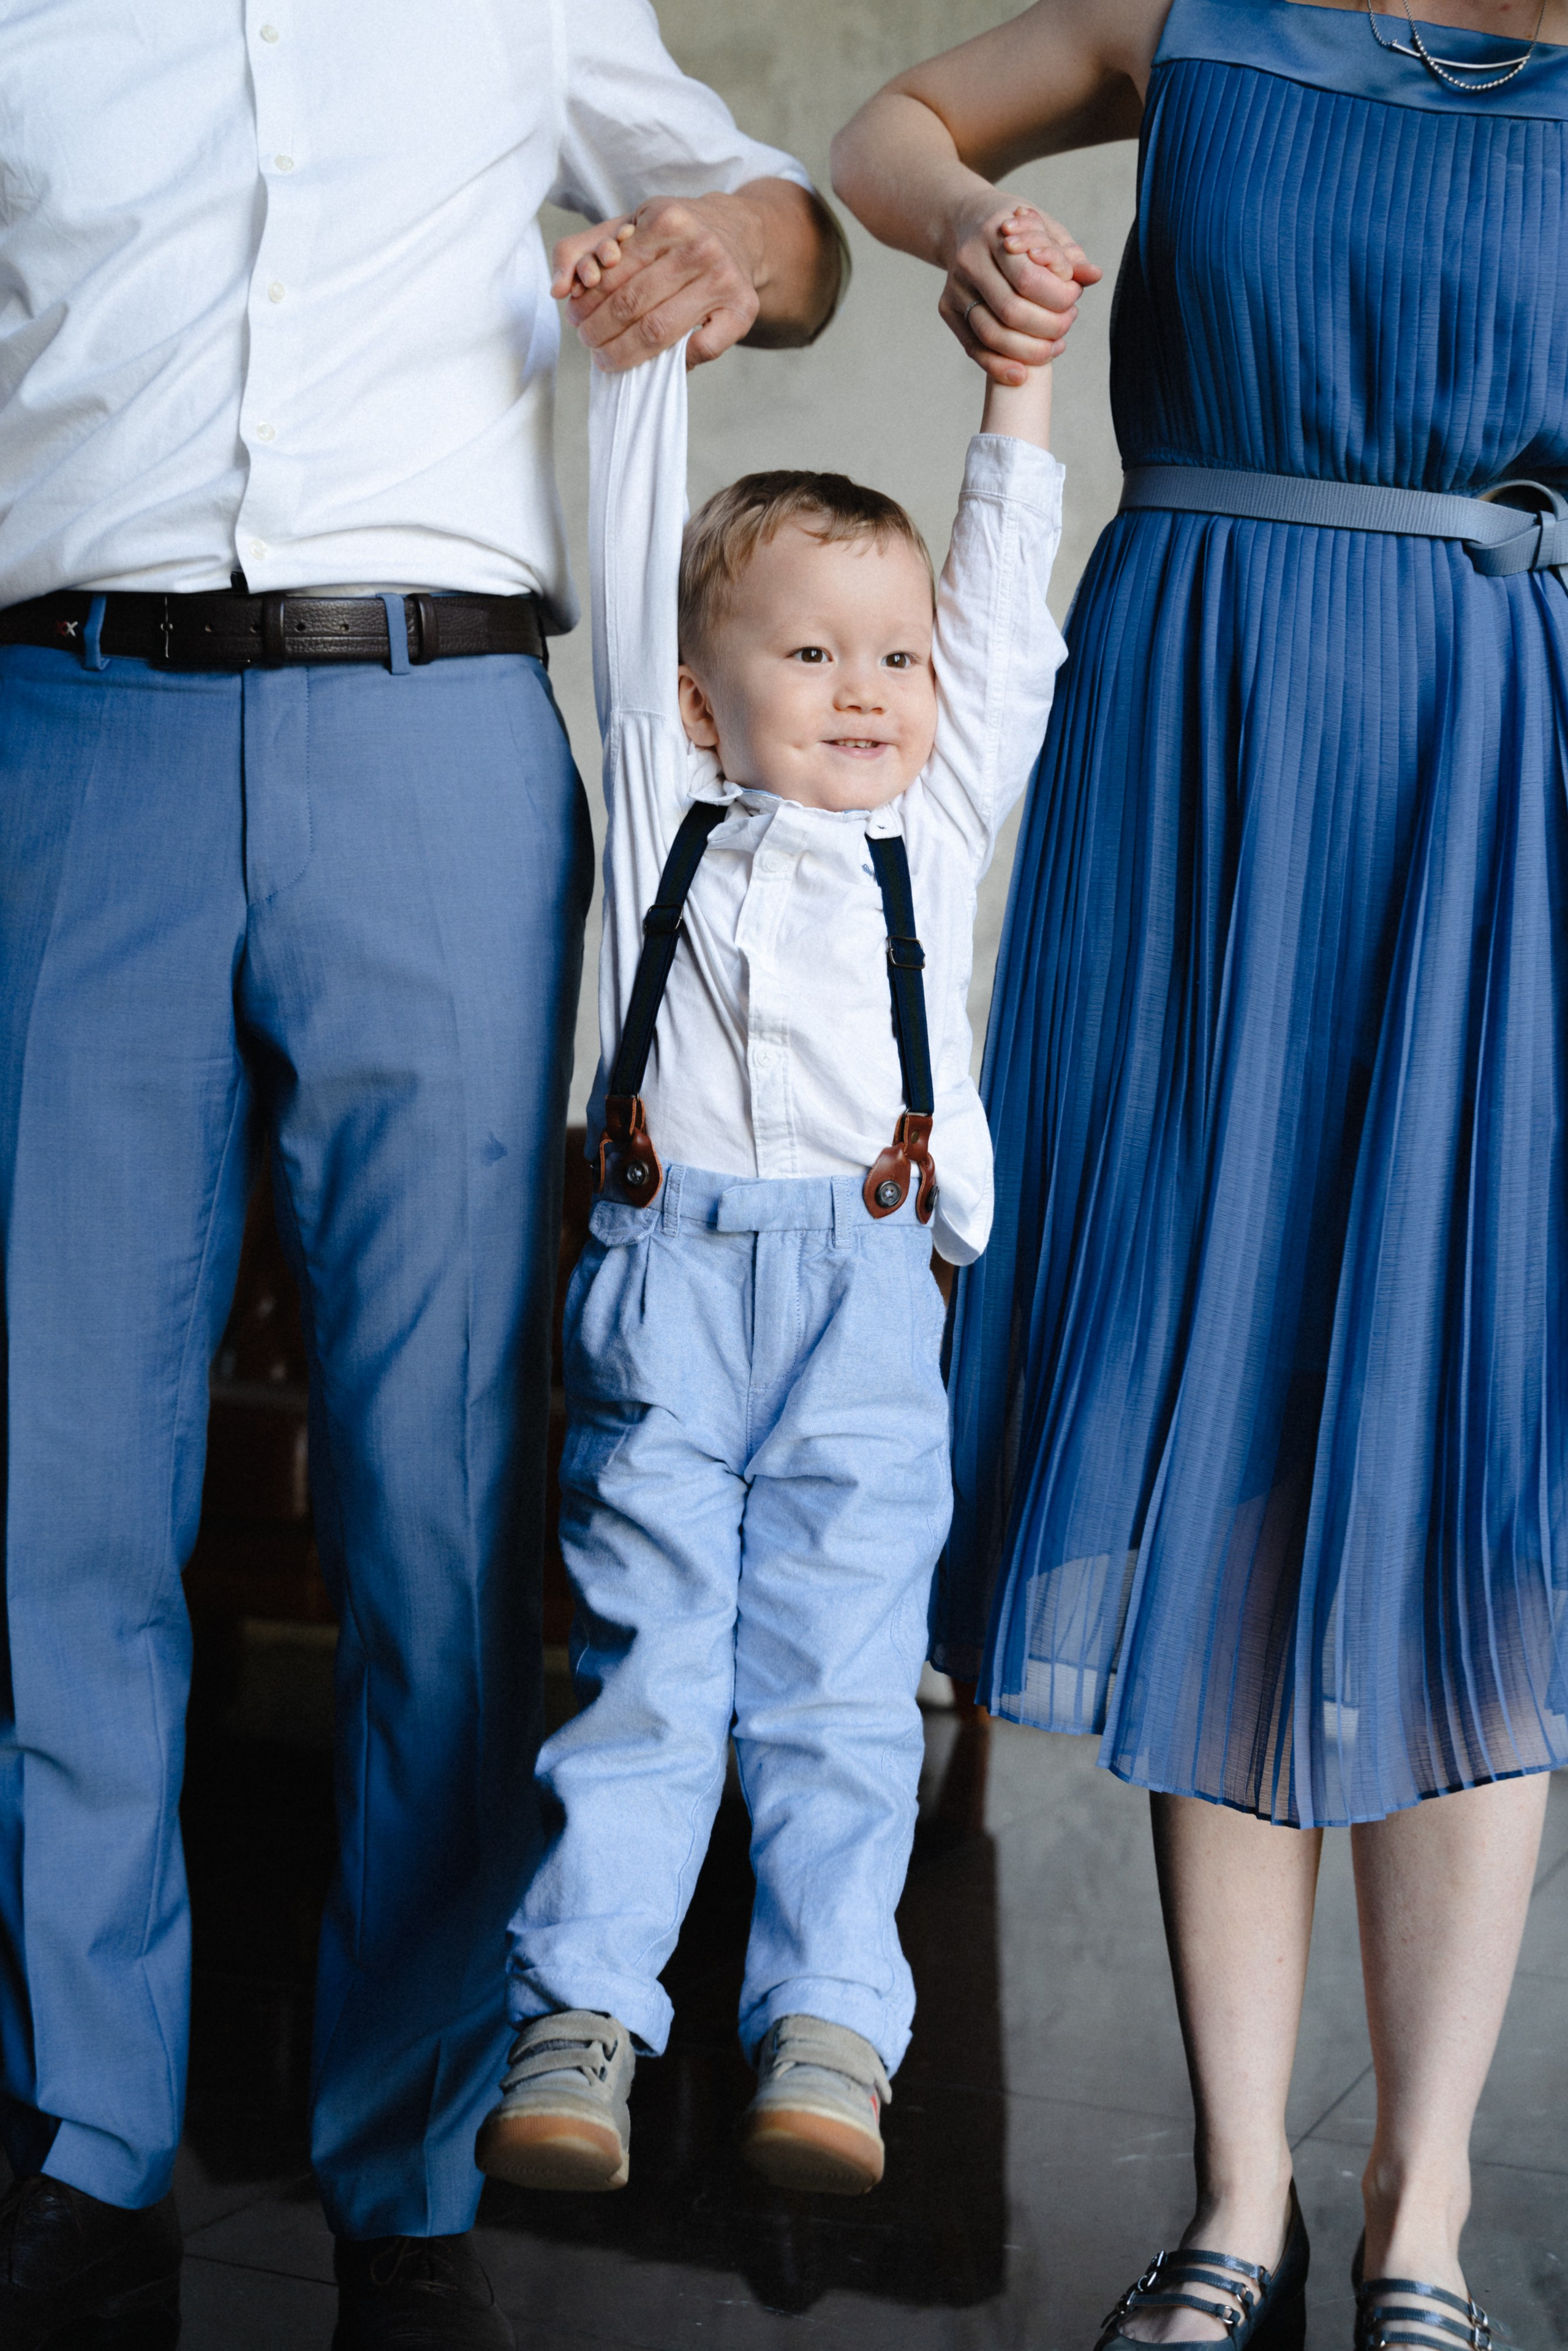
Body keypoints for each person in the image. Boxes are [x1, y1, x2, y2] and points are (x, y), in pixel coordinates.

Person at [0, 8, 843, 2345]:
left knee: (446, 1501)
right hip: (64, 735)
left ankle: (409, 2162)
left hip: (440, 734)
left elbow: (796, 222)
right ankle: (81, 2138)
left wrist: (725, 255)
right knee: (47, 1494)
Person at [832, 0, 1568, 2344]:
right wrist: (967, 232)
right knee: (1224, 1428)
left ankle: (1419, 2218)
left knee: (1466, 1467)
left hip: (1509, 771)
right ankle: (1238, 2194)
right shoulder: (1200, 12)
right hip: (1202, 746)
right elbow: (897, 125)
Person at [466, 220, 1066, 2202]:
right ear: (705, 699)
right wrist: (642, 372)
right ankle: (585, 2015)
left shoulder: (933, 804)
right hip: (667, 1278)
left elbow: (1002, 623)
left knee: (835, 1675)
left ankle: (828, 2026)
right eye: (813, 653)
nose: (872, 689)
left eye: (889, 656)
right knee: (647, 1662)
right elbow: (637, 559)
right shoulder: (671, 789)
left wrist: (1016, 394)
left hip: (873, 1300)